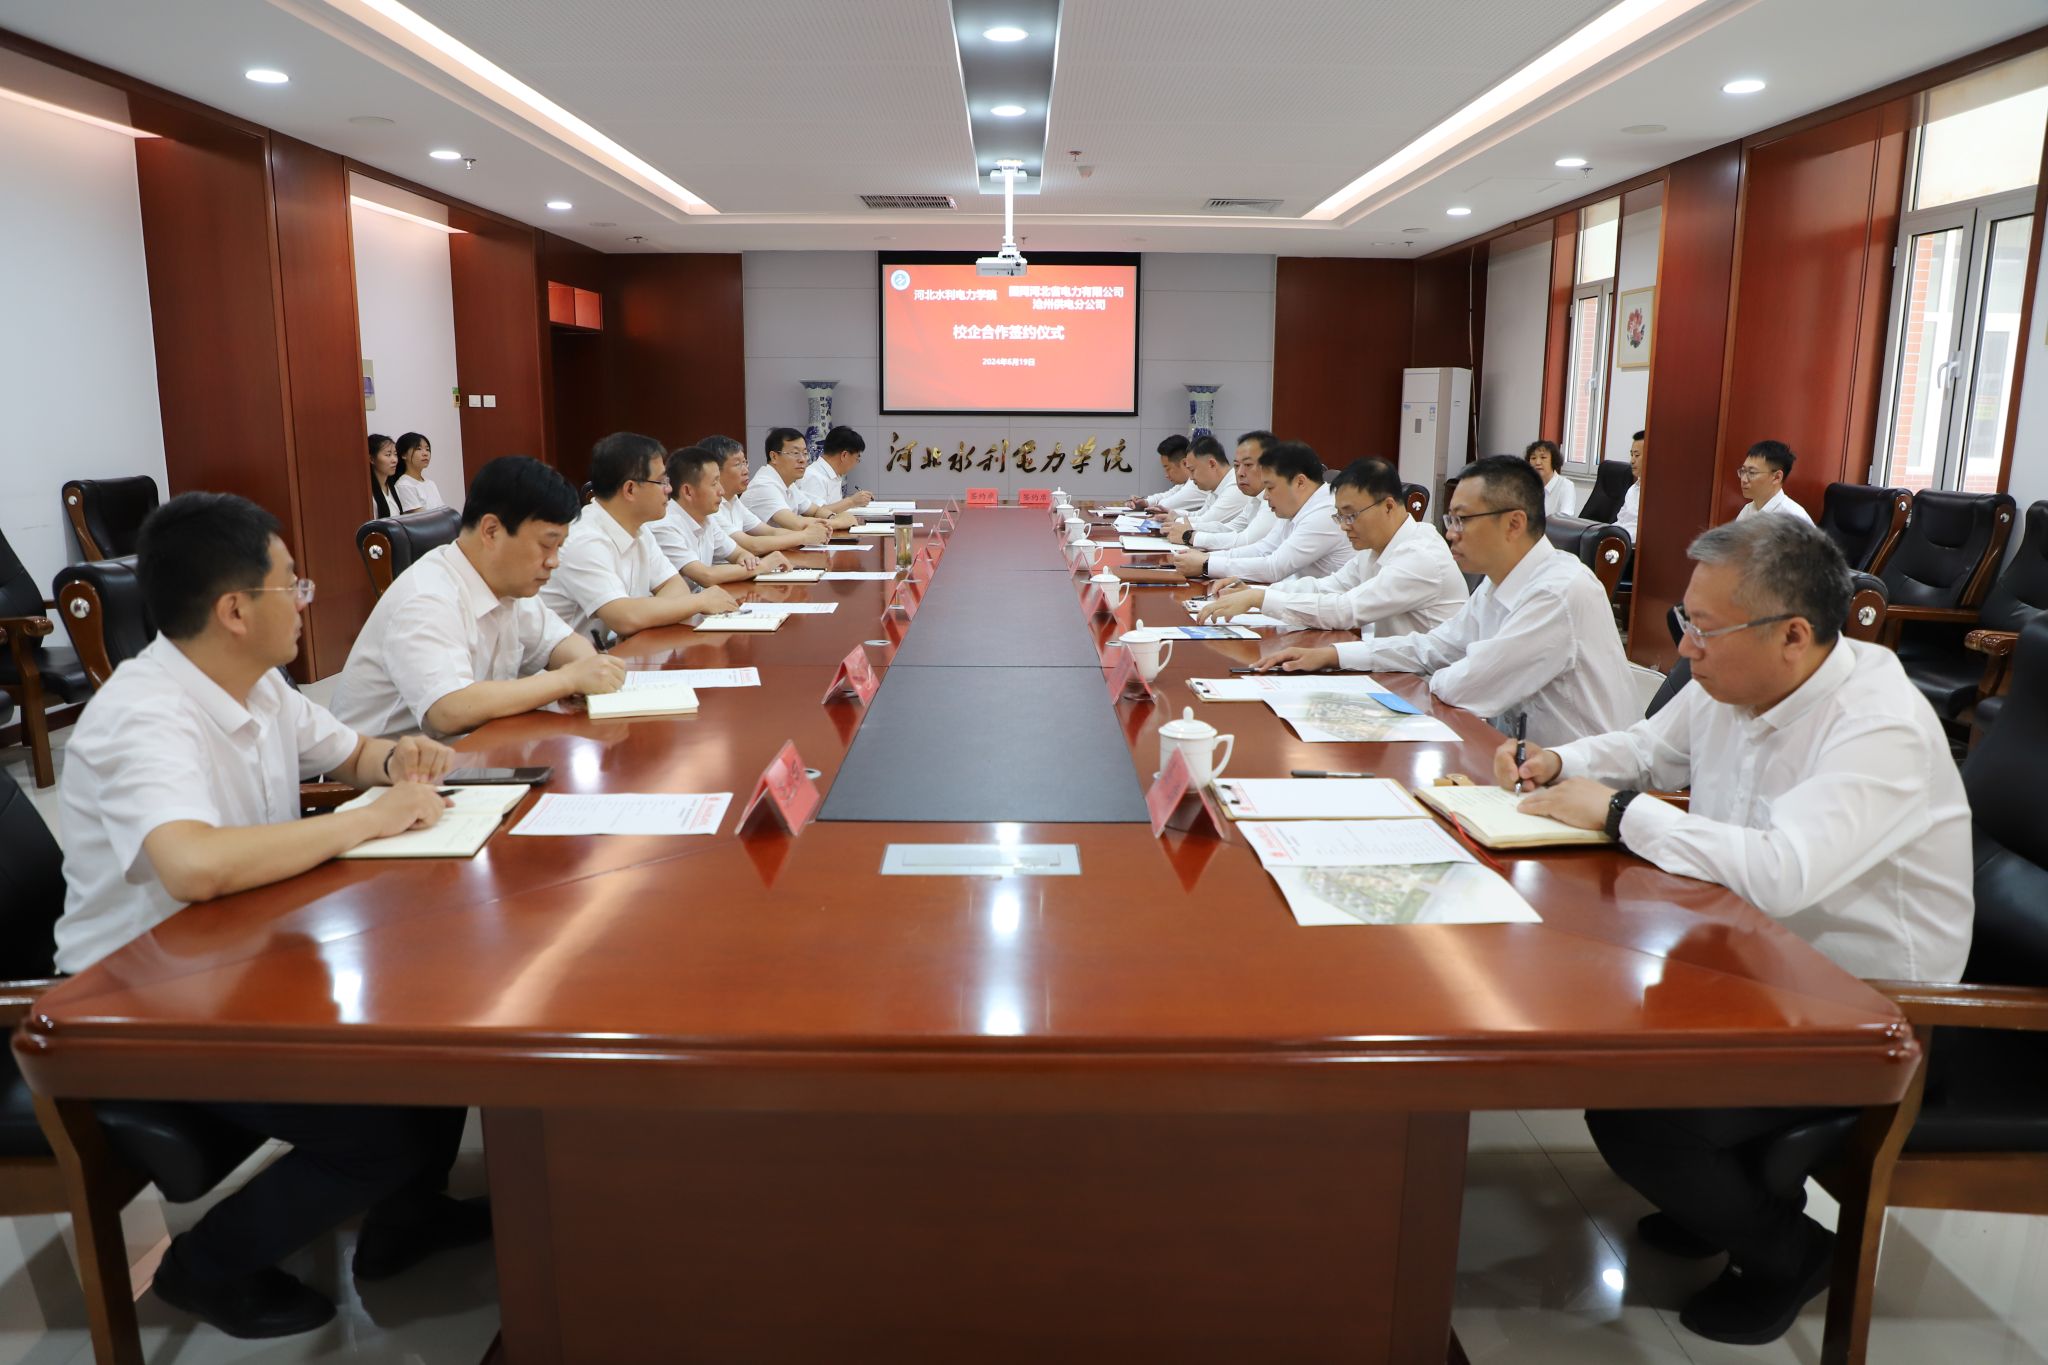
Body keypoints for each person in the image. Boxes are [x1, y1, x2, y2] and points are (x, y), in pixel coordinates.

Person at [1495, 515, 1972, 1346]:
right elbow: (1649, 746)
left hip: (1867, 1005)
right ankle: (1722, 1200)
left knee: (1639, 1112)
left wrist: (1617, 811)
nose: (1686, 648)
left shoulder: (1878, 723)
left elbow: (1784, 870)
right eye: (1687, 621)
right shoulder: (1736, 681)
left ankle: (1793, 1252)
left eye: (1705, 630)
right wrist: (1560, 762)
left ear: (1794, 634)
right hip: (1756, 959)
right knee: (1613, 1045)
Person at [57, 492, 486, 1339]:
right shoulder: (145, 713)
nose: (304, 600)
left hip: (237, 960)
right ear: (234, 608)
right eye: (294, 584)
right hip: (135, 999)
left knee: (442, 1032)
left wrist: (399, 759)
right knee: (375, 1133)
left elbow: (352, 752)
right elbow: (194, 866)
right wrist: (364, 821)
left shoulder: (255, 684)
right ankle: (203, 1266)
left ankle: (407, 1221)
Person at [1260, 455, 1637, 746]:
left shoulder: (1557, 592)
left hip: (1579, 787)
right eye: (1450, 519)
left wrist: (1437, 672)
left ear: (1514, 523)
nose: (1451, 533)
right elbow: (1434, 647)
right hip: (1512, 758)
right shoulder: (1497, 583)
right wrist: (1334, 656)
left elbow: (1466, 685)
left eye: (1462, 520)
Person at [331, 455, 627, 738]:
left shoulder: (507, 585)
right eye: (546, 545)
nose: (554, 562)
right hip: (389, 769)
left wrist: (589, 669)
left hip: (471, 754)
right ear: (491, 531)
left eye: (559, 547)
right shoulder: (427, 597)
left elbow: (561, 643)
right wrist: (568, 679)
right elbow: (450, 709)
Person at [1197, 456, 1467, 635]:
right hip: (1393, 670)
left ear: (1387, 506)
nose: (1344, 526)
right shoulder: (1375, 548)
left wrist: (1261, 599)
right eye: (1340, 516)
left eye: (1351, 515)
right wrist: (1256, 594)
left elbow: (1345, 610)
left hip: (1423, 689)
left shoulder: (1419, 556)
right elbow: (1328, 587)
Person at [539, 431, 738, 639]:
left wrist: (643, 614)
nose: (669, 489)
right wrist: (700, 601)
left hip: (623, 649)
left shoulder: (640, 530)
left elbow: (675, 586)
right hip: (577, 656)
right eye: (661, 481)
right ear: (630, 489)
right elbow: (624, 618)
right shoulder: (585, 539)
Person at [1170, 440, 1350, 583]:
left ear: (1300, 482)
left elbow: (1274, 568)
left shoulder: (1326, 512)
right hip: (1301, 597)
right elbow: (1264, 549)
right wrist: (1205, 558)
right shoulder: (1297, 505)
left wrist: (1206, 564)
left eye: (1270, 488)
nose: (1266, 496)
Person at [650, 445, 791, 585]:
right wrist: (763, 566)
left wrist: (748, 559)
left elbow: (739, 553)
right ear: (688, 491)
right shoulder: (664, 525)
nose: (721, 491)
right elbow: (705, 576)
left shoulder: (707, 519)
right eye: (714, 483)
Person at [700, 434, 829, 556]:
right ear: (715, 470)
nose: (746, 471)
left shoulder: (733, 500)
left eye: (745, 462)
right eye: (738, 464)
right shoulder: (710, 508)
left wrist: (811, 533)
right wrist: (805, 536)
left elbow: (770, 532)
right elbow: (752, 545)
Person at [1167, 430, 1274, 548]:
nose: (1240, 473)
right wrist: (1187, 529)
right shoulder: (1254, 497)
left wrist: (1190, 535)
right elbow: (1231, 528)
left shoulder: (1271, 498)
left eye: (1248, 465)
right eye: (1237, 465)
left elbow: (1246, 540)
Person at [741, 427, 856, 531]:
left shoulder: (788, 483)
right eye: (795, 453)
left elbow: (815, 510)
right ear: (774, 456)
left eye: (805, 453)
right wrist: (839, 522)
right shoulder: (764, 486)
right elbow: (796, 524)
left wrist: (833, 517)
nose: (802, 459)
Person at [1161, 436, 1252, 540]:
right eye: (1236, 466)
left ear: (1212, 464)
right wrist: (1175, 515)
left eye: (1192, 470)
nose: (1191, 477)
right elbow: (1202, 515)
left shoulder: (1235, 488)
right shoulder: (1217, 487)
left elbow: (1208, 521)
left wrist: (1177, 521)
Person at [795, 425, 874, 517]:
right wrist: (851, 501)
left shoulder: (833, 474)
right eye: (857, 458)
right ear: (844, 455)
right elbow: (815, 514)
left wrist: (857, 502)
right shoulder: (812, 476)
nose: (856, 463)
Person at [1734, 439, 1812, 523]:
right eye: (1743, 471)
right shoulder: (1747, 510)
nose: (1744, 479)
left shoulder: (1794, 517)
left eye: (1752, 472)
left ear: (1777, 477)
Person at [1137, 435, 1204, 514]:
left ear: (1185, 463)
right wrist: (1145, 502)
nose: (1166, 475)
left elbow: (1165, 505)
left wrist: (1150, 504)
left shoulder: (1197, 483)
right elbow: (1168, 495)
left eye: (1168, 469)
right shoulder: (1185, 482)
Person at [1525, 439, 1579, 520]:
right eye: (1533, 458)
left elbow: (1564, 520)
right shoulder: (1526, 485)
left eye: (1543, 457)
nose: (1537, 462)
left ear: (1553, 461)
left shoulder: (1566, 486)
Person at [391, 432, 444, 513]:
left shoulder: (430, 483)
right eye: (418, 449)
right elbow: (422, 518)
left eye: (427, 449)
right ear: (404, 454)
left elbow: (444, 511)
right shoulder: (404, 485)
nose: (425, 453)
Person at [1618, 430, 1644, 537]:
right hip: (1622, 541)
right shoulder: (1633, 489)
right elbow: (1621, 521)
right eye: (1631, 455)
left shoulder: (1659, 493)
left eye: (1637, 455)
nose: (1632, 461)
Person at [368, 433, 400, 519]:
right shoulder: (368, 493)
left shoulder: (393, 488)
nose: (395, 460)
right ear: (371, 459)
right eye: (388, 455)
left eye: (395, 454)